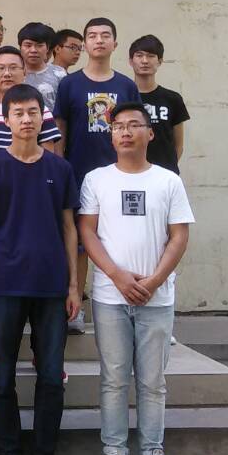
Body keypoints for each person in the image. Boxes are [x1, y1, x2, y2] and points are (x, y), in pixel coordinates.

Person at [78, 102, 194, 455]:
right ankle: (115, 451)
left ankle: (152, 450)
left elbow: (179, 235)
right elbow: (87, 232)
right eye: (118, 127)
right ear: (111, 135)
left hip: (157, 299)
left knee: (152, 381)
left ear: (151, 133)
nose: (125, 132)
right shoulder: (96, 179)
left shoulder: (168, 181)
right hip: (110, 297)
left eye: (133, 125)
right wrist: (117, 275)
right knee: (114, 379)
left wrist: (156, 280)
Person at [0, 85, 80, 455]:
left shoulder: (60, 169)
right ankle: (9, 453)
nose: (26, 119)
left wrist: (74, 285)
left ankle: (44, 453)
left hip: (51, 286)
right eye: (18, 113)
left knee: (51, 375)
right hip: (4, 285)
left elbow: (69, 228)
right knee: (2, 376)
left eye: (33, 112)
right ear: (6, 120)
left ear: (43, 117)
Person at [0, 47, 61, 376]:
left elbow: (49, 152)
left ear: (25, 72)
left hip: (33, 196)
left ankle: (41, 353)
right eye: (1, 68)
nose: (7, 73)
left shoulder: (39, 110)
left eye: (14, 68)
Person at [53, 17, 140, 336]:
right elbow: (60, 130)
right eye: (92, 36)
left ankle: (127, 301)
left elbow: (135, 129)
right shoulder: (69, 84)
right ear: (85, 44)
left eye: (105, 35)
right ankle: (75, 306)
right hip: (78, 174)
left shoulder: (126, 86)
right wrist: (59, 168)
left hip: (118, 176)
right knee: (77, 243)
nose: (99, 40)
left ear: (115, 43)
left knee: (119, 239)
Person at [129, 35, 190, 174]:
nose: (145, 61)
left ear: (160, 61)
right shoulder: (123, 97)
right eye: (139, 55)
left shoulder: (172, 99)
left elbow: (178, 145)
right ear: (131, 61)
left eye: (151, 56)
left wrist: (166, 173)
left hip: (164, 174)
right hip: (130, 174)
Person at [19, 22, 61, 114]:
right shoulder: (13, 74)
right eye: (28, 45)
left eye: (39, 45)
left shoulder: (59, 73)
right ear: (20, 47)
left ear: (47, 48)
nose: (33, 50)